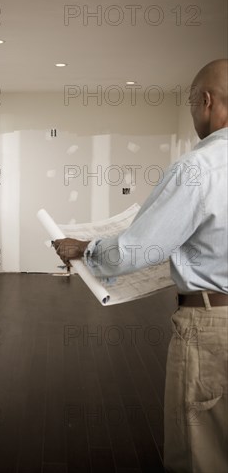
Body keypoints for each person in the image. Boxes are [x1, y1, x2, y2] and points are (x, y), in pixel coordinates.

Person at [53, 59, 228, 473]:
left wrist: (86, 248)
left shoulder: (198, 168)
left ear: (206, 101)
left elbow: (138, 248)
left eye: (190, 102)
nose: (191, 112)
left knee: (201, 445)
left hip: (214, 325)